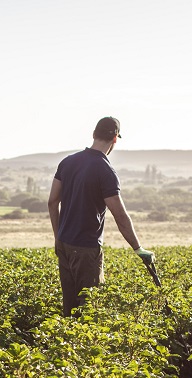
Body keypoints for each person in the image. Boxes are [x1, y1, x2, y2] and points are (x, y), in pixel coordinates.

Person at [48, 116, 154, 316]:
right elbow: (120, 215)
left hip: (64, 244)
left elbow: (52, 202)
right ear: (115, 139)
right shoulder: (105, 170)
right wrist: (138, 248)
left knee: (69, 308)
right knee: (91, 308)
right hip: (87, 249)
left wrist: (58, 237)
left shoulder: (67, 162)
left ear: (93, 134)